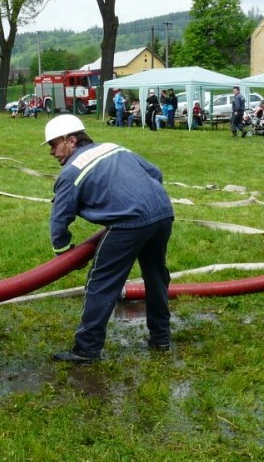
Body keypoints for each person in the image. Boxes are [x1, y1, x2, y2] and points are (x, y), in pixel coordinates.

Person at [43, 115, 174, 363]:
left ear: (71, 140)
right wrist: (145, 198)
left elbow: (60, 219)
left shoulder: (71, 173)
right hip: (163, 213)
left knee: (101, 282)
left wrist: (63, 251)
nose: (51, 152)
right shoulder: (114, 146)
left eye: (53, 144)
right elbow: (155, 173)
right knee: (156, 276)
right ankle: (161, 338)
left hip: (128, 223)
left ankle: (87, 349)